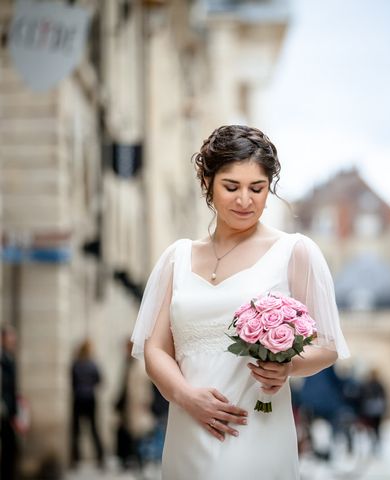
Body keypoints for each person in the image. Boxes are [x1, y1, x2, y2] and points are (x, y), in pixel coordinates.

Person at [132, 125, 350, 479]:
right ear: (207, 182)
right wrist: (187, 397)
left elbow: (327, 345)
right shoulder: (177, 257)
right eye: (231, 187)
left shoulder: (295, 252)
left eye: (258, 189)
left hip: (255, 423)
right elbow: (155, 349)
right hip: (188, 427)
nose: (245, 200)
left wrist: (288, 366)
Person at [114, 340, 155, 470]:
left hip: (139, 403)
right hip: (131, 404)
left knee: (140, 432)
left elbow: (146, 387)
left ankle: (141, 459)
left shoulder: (139, 365)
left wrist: (146, 401)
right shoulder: (129, 363)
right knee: (132, 431)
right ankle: (135, 458)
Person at [70, 339, 104, 469]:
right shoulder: (93, 364)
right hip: (90, 398)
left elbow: (72, 381)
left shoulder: (76, 364)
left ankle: (75, 458)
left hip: (78, 398)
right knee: (94, 428)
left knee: (76, 430)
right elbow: (100, 380)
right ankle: (100, 457)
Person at [1, 325, 19, 480]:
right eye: (10, 337)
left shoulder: (9, 358)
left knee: (11, 449)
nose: (14, 340)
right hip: (3, 410)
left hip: (8, 411)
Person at [360, 369, 387, 454]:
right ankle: (374, 442)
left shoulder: (376, 385)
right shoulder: (371, 385)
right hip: (371, 411)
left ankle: (375, 443)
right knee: (373, 428)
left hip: (374, 411)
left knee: (375, 428)